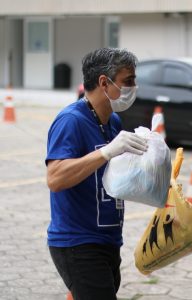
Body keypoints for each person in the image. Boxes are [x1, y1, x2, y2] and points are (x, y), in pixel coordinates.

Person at [46, 48, 148, 300]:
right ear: (104, 82)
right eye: (128, 81)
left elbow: (113, 178)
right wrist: (105, 153)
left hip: (109, 240)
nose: (133, 88)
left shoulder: (112, 122)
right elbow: (55, 178)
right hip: (78, 243)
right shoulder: (71, 121)